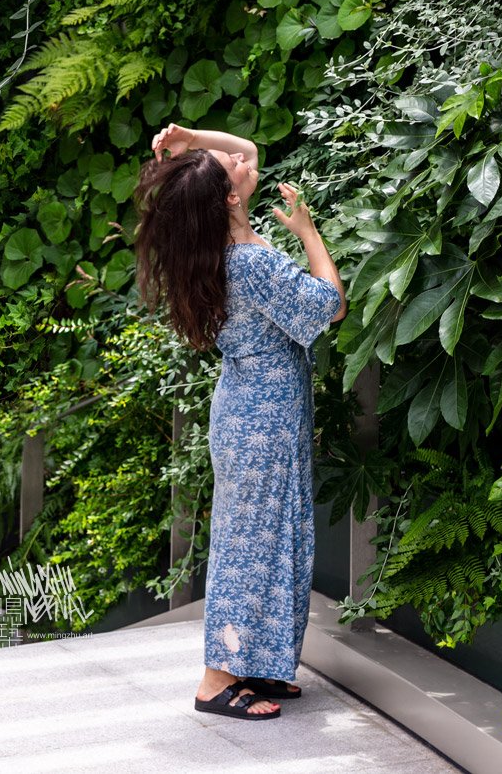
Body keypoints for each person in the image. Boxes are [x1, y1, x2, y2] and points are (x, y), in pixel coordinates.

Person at [133, 120, 346, 721]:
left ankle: (258, 664)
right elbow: (330, 306)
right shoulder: (250, 263)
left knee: (270, 538)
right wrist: (309, 234)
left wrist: (186, 136)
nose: (242, 161)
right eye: (229, 170)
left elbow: (244, 151)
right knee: (250, 546)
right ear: (229, 197)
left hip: (249, 407)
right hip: (264, 414)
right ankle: (216, 680)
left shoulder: (219, 246)